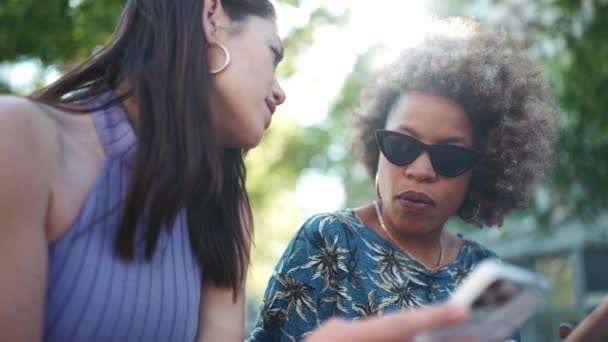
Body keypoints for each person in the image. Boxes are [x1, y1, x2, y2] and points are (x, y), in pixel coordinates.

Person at [0, 1, 471, 341]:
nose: (280, 92)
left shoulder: (225, 209)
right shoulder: (21, 139)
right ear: (212, 17)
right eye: (273, 54)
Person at [250, 18, 557, 341]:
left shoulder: (485, 272)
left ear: (479, 172)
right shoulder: (329, 240)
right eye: (402, 145)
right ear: (377, 147)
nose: (421, 170)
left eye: (449, 157)